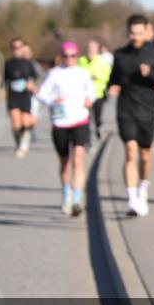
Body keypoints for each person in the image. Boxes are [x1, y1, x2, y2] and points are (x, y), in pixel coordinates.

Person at [107, 14, 154, 217]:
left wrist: (151, 74)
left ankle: (143, 186)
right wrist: (111, 87)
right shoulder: (120, 54)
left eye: (139, 32)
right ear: (128, 32)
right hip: (125, 110)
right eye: (132, 32)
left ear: (146, 31)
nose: (135, 36)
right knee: (130, 152)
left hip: (147, 110)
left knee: (145, 156)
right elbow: (114, 78)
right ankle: (131, 199)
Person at [36, 42, 95, 216]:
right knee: (65, 163)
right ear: (61, 57)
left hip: (80, 120)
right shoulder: (54, 74)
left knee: (78, 160)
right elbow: (41, 94)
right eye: (66, 56)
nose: (70, 59)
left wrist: (89, 99)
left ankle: (77, 199)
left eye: (73, 56)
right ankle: (66, 193)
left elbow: (91, 91)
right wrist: (54, 99)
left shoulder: (83, 73)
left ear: (77, 56)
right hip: (60, 122)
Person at [3, 37, 37, 158]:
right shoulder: (8, 64)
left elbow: (34, 79)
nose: (16, 49)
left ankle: (25, 137)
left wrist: (32, 86)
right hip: (13, 96)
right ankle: (19, 146)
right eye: (14, 47)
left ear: (23, 48)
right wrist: (1, 90)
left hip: (25, 96)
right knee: (15, 122)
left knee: (25, 122)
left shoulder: (28, 64)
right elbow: (4, 80)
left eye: (19, 47)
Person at [78, 39, 112, 142]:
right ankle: (88, 138)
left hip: (98, 93)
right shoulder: (81, 60)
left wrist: (98, 76)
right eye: (89, 48)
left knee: (97, 116)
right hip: (84, 95)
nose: (91, 50)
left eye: (93, 48)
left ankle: (98, 128)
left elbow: (108, 76)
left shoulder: (102, 61)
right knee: (86, 117)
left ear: (97, 49)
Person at [23, 44, 44, 143]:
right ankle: (24, 133)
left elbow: (42, 77)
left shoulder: (34, 65)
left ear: (31, 54)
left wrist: (36, 87)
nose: (25, 54)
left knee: (32, 115)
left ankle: (31, 130)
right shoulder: (17, 64)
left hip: (33, 95)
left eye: (27, 52)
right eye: (24, 52)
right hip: (19, 95)